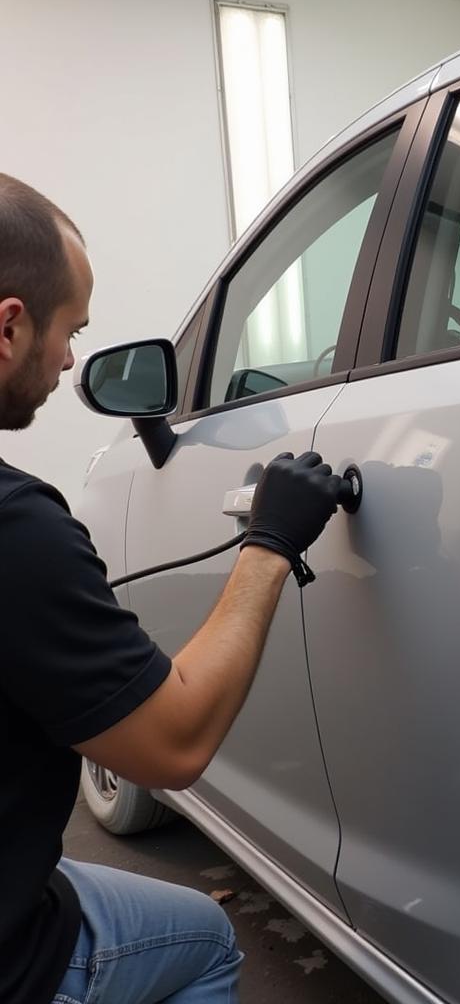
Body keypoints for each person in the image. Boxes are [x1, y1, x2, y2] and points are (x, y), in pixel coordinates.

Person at [0, 173, 344, 1003]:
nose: (71, 359)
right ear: (9, 326)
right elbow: (173, 744)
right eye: (69, 330)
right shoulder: (18, 532)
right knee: (204, 939)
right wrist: (268, 545)